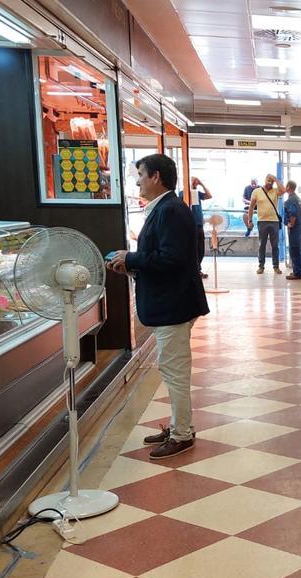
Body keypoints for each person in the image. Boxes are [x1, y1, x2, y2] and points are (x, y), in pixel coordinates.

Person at [107, 154, 209, 459]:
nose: (137, 181)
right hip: (169, 301)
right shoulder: (165, 209)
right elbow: (164, 259)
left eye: (140, 174)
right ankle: (179, 425)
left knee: (174, 370)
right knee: (170, 367)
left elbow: (172, 258)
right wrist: (131, 267)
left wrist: (131, 258)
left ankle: (182, 434)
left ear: (156, 177)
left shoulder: (171, 210)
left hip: (174, 304)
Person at [248, 174, 284, 274]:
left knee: (275, 245)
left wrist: (276, 179)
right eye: (268, 181)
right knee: (262, 245)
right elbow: (251, 207)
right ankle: (261, 266)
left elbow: (284, 190)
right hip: (262, 222)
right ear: (264, 181)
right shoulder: (257, 191)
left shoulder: (275, 191)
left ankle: (276, 266)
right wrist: (249, 220)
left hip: (274, 222)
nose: (270, 183)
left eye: (271, 181)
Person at [190, 176, 212, 279]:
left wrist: (201, 184)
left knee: (200, 249)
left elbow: (209, 195)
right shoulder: (184, 193)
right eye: (193, 181)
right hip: (190, 225)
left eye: (196, 181)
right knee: (193, 249)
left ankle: (198, 269)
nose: (194, 183)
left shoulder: (197, 194)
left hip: (199, 225)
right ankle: (194, 270)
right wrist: (190, 186)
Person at [283, 180, 301, 280]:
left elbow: (293, 213)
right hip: (300, 227)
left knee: (295, 250)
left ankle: (298, 273)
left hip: (295, 228)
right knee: (299, 249)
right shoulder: (297, 198)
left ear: (288, 187)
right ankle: (300, 271)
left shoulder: (291, 200)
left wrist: (291, 224)